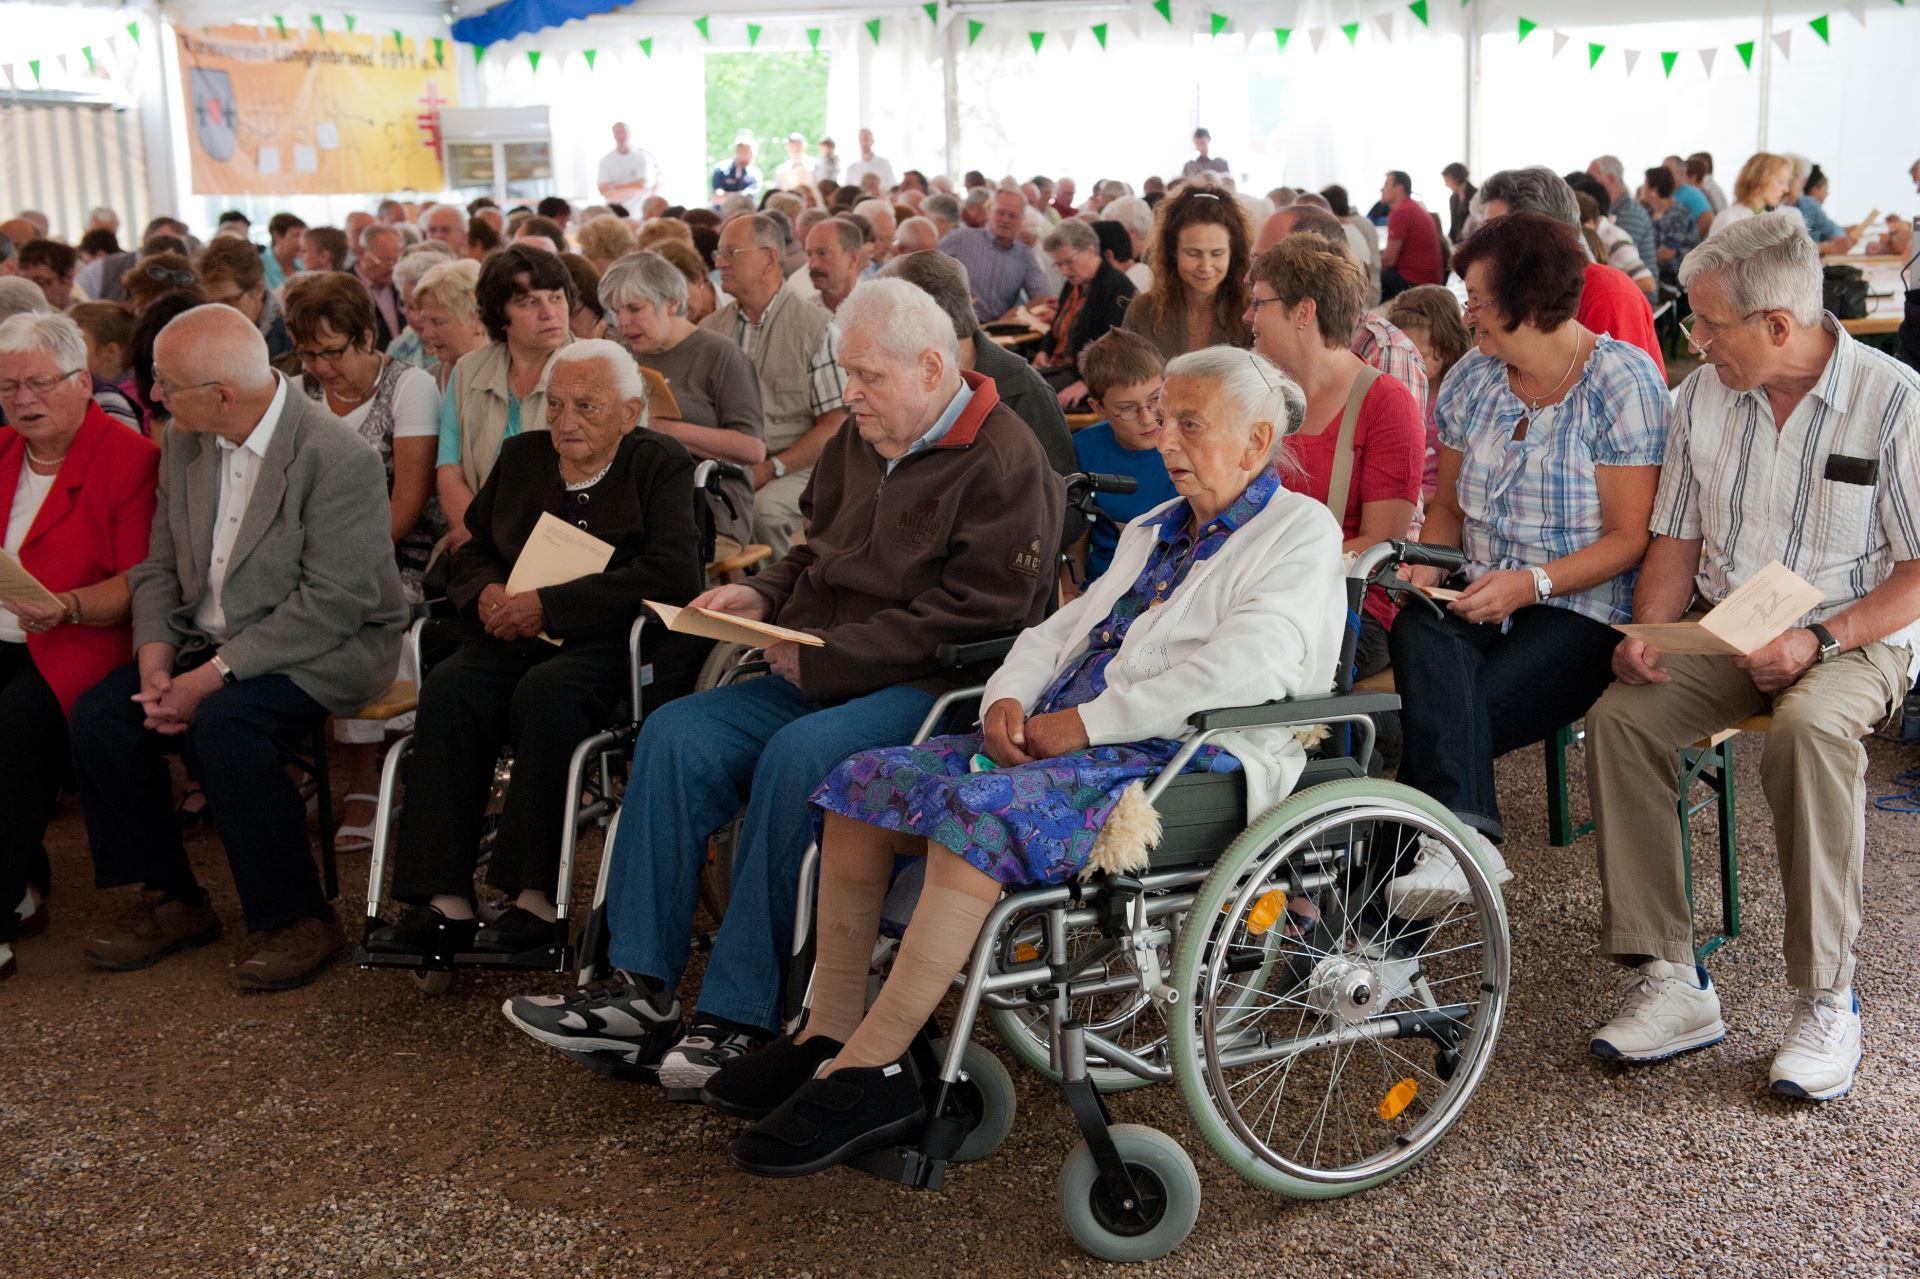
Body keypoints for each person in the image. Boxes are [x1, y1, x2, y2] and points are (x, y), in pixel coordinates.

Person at [706, 346, 1345, 1170]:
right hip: (1067, 737)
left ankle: (876, 1071)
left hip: (1179, 756)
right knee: (860, 784)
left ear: (1257, 442)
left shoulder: (1298, 530)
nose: (1165, 441)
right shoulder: (1156, 528)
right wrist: (1007, 696)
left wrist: (1086, 722)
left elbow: (1243, 669)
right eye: (1163, 419)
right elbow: (1056, 629)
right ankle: (831, 1025)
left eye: (1190, 424)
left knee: (974, 816)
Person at [501, 280, 1067, 1090]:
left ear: (932, 367)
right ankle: (636, 991)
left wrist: (827, 654)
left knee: (797, 757)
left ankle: (743, 1014)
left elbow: (979, 617)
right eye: (848, 374)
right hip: (818, 658)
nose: (851, 397)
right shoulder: (860, 440)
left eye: (868, 377)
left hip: (932, 685)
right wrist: (761, 594)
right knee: (676, 733)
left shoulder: (1006, 460)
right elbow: (816, 551)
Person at [1583, 213, 1920, 1100]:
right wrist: (1645, 634)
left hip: (1859, 632)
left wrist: (1819, 637)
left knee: (1809, 729)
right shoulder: (1699, 396)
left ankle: (1826, 999)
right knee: (1620, 721)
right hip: (1733, 626)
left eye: (1706, 324)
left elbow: (1919, 573)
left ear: (1777, 324)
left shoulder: (1895, 398)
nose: (1692, 340)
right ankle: (1672, 978)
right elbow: (1676, 539)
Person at [68, 305, 406, 991]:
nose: (152, 395)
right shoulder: (187, 441)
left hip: (328, 645)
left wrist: (210, 677)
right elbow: (159, 567)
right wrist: (157, 659)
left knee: (226, 723)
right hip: (209, 637)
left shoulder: (335, 455)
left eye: (164, 383)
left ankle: (298, 918)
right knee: (102, 715)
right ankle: (174, 898)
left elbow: (334, 602)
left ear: (222, 393)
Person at [366, 340, 706, 957]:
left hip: (609, 642)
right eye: (554, 406)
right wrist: (487, 593)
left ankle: (535, 901)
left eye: (586, 406)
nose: (566, 422)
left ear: (630, 413)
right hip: (515, 633)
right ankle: (442, 898)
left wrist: (553, 604)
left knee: (550, 693)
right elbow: (474, 551)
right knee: (451, 686)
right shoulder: (524, 457)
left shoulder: (658, 462)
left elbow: (674, 574)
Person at [1385, 212, 1669, 919]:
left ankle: (1374, 930)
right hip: (1481, 588)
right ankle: (1459, 846)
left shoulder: (1619, 379)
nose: (1466, 312)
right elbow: (1446, 509)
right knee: (1418, 631)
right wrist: (1425, 569)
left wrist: (1531, 584)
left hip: (1581, 608)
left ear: (1530, 303)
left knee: (1437, 730)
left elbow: (1630, 536)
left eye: (1476, 297)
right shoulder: (1474, 380)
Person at [0, 313, 160, 980]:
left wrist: (65, 605)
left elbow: (137, 581)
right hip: (7, 632)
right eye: (8, 386)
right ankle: (18, 884)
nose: (22, 399)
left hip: (80, 636)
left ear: (81, 380)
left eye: (37, 382)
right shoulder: (3, 450)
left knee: (14, 722)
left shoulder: (127, 458)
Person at [283, 270, 443, 846]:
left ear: (366, 336)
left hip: (400, 550)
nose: (321, 368)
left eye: (333, 351)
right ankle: (284, 759)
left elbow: (411, 496)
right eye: (308, 354)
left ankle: (366, 774)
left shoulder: (410, 387)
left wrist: (347, 563)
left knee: (362, 611)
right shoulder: (297, 393)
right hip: (310, 550)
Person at [1246, 237, 1423, 679]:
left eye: (1258, 303)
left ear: (1304, 312)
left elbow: (1381, 543)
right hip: (1254, 593)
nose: (1248, 317)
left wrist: (1259, 571)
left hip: (1346, 606)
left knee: (1237, 664)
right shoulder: (1258, 390)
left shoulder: (1384, 402)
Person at [700, 214, 846, 558]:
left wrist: (771, 468)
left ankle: (779, 603)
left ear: (769, 258)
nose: (720, 262)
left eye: (731, 252)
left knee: (763, 510)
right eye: (718, 254)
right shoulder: (709, 330)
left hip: (801, 463)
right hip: (729, 463)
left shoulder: (817, 328)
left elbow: (835, 424)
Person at [602, 250, 766, 547]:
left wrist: (661, 428)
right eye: (616, 311)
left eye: (634, 308)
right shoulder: (620, 350)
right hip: (633, 499)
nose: (624, 322)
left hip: (706, 501)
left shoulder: (719, 354)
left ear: (673, 303)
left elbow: (752, 449)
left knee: (633, 558)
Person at [437, 245, 575, 549]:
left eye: (556, 297)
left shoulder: (602, 370)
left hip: (567, 546)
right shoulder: (468, 371)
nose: (549, 313)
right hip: (478, 541)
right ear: (500, 315)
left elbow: (614, 485)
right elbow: (449, 469)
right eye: (529, 302)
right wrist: (475, 539)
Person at [1479, 166, 1666, 379]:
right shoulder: (1523, 295)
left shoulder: (1607, 294)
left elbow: (1613, 396)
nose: (1482, 246)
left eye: (1494, 233)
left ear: (1542, 236)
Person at [1068, 328, 1176, 588]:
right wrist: (1071, 593)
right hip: (1102, 586)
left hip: (1172, 586)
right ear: (1098, 408)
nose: (1148, 418)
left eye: (1155, 400)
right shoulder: (1083, 447)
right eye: (1127, 408)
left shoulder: (1189, 445)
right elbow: (1076, 536)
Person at [1121, 186, 1252, 359]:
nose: (1205, 266)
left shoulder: (1250, 315)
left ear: (1233, 253)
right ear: (1173, 252)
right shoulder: (1143, 311)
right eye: (1193, 253)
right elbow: (1124, 381)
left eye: (1217, 253)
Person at [1035, 218, 1137, 408]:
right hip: (1060, 367)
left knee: (1024, 394)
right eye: (1058, 265)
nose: (1064, 271)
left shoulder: (1116, 287)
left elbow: (1117, 350)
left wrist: (1085, 384)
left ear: (1090, 250)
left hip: (1088, 377)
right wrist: (1044, 350)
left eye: (1069, 262)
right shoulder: (1074, 283)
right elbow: (1057, 327)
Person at [1384, 285, 1472, 499]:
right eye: (1400, 354)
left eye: (1419, 354)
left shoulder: (1457, 402)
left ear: (1446, 347)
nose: (1407, 362)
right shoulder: (1392, 396)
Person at [938, 188, 1051, 324]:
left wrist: (1020, 311)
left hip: (996, 333)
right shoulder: (960, 238)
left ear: (1021, 220)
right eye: (1000, 213)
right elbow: (925, 269)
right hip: (954, 326)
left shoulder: (1025, 255)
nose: (1005, 220)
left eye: (1012, 215)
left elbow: (1043, 297)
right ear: (990, 212)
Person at [194, 236, 293, 361]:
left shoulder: (291, 337)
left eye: (228, 301)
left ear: (259, 288)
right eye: (210, 304)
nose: (218, 313)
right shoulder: (202, 337)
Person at [410, 259, 488, 394]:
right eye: (424, 321)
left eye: (437, 322)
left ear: (478, 320)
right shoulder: (424, 385)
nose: (427, 334)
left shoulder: (512, 382)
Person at [1587, 156, 1659, 283]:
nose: (1588, 183)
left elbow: (1615, 260)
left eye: (1592, 179)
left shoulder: (1630, 214)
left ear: (1611, 179)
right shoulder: (1620, 210)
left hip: (1640, 292)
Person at [1379, 170, 1445, 299]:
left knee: (1367, 280)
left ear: (1399, 188)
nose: (1381, 188)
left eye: (1386, 184)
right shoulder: (1414, 207)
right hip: (1431, 280)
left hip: (1416, 283)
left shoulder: (1401, 212)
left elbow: (1388, 260)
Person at [1639, 166, 1703, 284]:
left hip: (1677, 281)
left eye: (1645, 184)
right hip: (1657, 276)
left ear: (1655, 190)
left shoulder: (1677, 214)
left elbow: (1666, 255)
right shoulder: (1649, 213)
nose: (1642, 188)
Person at [1708, 152, 1792, 239]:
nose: (1786, 189)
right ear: (1760, 179)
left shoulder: (1776, 218)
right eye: (1781, 181)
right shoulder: (1729, 219)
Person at [801, 216, 864, 314]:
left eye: (822, 253)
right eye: (809, 255)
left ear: (853, 258)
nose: (813, 265)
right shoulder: (802, 313)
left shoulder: (879, 309)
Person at [1794, 162, 1855, 254]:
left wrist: (1840, 234)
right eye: (1825, 189)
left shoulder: (1803, 205)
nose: (1827, 194)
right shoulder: (1809, 204)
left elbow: (1830, 229)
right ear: (1815, 189)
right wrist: (1829, 245)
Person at [598, 122, 661, 206]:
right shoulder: (605, 160)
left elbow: (641, 186)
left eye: (623, 132)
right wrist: (631, 187)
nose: (620, 136)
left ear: (629, 134)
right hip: (615, 211)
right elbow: (603, 189)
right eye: (617, 132)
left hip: (637, 210)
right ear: (613, 135)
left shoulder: (641, 157)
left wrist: (612, 188)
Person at [16, 239, 79, 310]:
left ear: (68, 277)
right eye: (24, 285)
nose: (29, 293)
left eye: (40, 283)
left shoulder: (87, 317)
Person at [843, 129, 896, 198]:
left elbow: (891, 187)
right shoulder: (852, 168)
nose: (864, 143)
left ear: (872, 141)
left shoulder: (884, 164)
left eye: (866, 139)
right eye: (861, 140)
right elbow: (848, 192)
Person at [261, 213, 306, 291]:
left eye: (304, 236)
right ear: (277, 237)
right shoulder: (259, 267)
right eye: (296, 235)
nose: (302, 242)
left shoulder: (305, 262)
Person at [712, 138, 762, 205]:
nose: (749, 156)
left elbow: (750, 196)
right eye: (745, 152)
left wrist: (727, 195)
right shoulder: (721, 169)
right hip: (722, 211)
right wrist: (741, 195)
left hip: (746, 211)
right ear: (737, 151)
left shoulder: (755, 173)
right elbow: (718, 196)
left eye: (751, 154)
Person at [1442, 162, 1477, 244]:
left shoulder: (1476, 196)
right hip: (1458, 244)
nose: (1446, 184)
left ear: (1457, 178)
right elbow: (1453, 226)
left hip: (1473, 242)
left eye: (1448, 180)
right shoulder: (1453, 199)